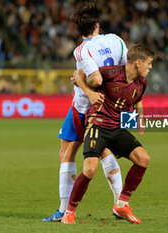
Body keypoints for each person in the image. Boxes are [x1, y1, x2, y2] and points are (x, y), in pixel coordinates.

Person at [42, 1, 128, 222]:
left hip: (84, 107)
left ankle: (63, 210)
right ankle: (120, 203)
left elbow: (95, 79)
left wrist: (80, 81)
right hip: (109, 107)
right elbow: (125, 72)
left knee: (66, 152)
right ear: (97, 25)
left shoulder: (82, 49)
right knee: (103, 151)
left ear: (78, 31)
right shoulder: (116, 40)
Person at [61, 44, 154, 224]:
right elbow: (79, 73)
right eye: (149, 63)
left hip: (116, 128)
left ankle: (121, 204)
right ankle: (69, 213)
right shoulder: (110, 73)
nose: (150, 67)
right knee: (90, 169)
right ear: (138, 63)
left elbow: (139, 98)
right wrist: (89, 93)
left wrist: (140, 118)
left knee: (143, 159)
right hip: (97, 124)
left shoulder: (141, 83)